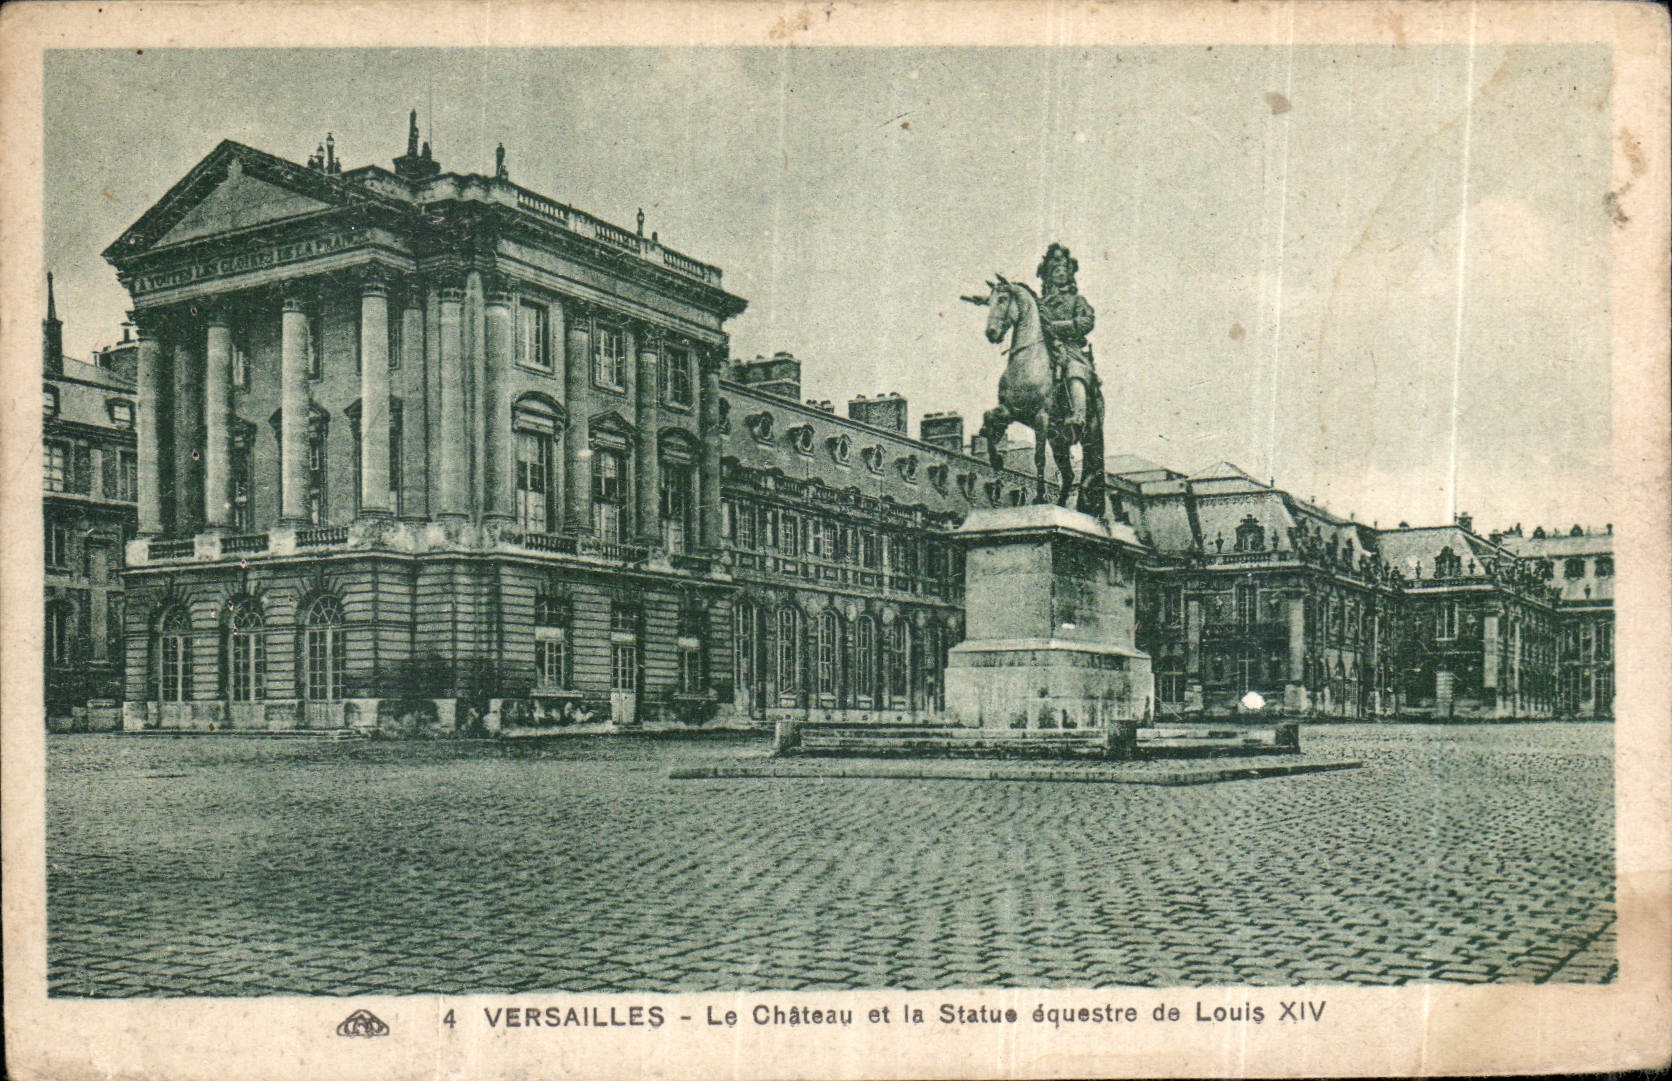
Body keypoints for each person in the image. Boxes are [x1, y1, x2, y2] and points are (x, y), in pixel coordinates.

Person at [1037, 243, 1096, 438]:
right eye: (1056, 271)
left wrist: (1061, 326)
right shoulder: (1040, 304)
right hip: (1045, 348)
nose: (1060, 274)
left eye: (1064, 271)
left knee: (1074, 369)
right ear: (1049, 276)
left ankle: (1078, 414)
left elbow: (1087, 320)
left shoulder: (1077, 301)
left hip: (1070, 348)